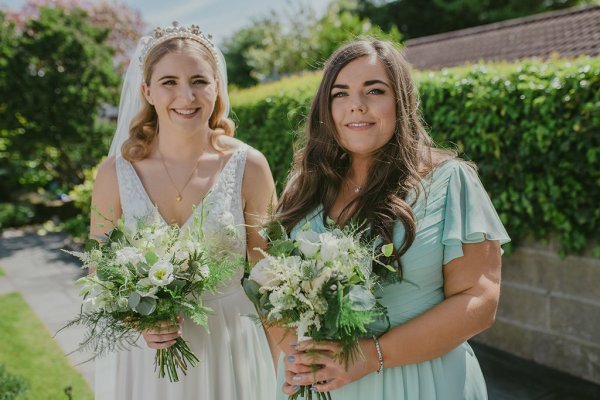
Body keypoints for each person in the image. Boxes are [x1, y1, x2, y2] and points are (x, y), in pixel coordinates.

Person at [274, 39, 510, 399]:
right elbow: (269, 291)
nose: (356, 105)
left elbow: (479, 300)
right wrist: (294, 354)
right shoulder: (303, 187)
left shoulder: (450, 181)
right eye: (341, 94)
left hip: (421, 382)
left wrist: (371, 357)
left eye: (374, 90)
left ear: (402, 101)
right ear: (326, 107)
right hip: (322, 387)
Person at [89, 22, 277, 400]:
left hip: (230, 345)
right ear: (147, 91)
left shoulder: (249, 166)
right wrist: (136, 319)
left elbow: (267, 278)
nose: (186, 96)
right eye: (169, 82)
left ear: (216, 88)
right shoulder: (115, 172)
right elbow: (98, 270)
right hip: (146, 356)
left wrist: (278, 368)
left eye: (199, 81)